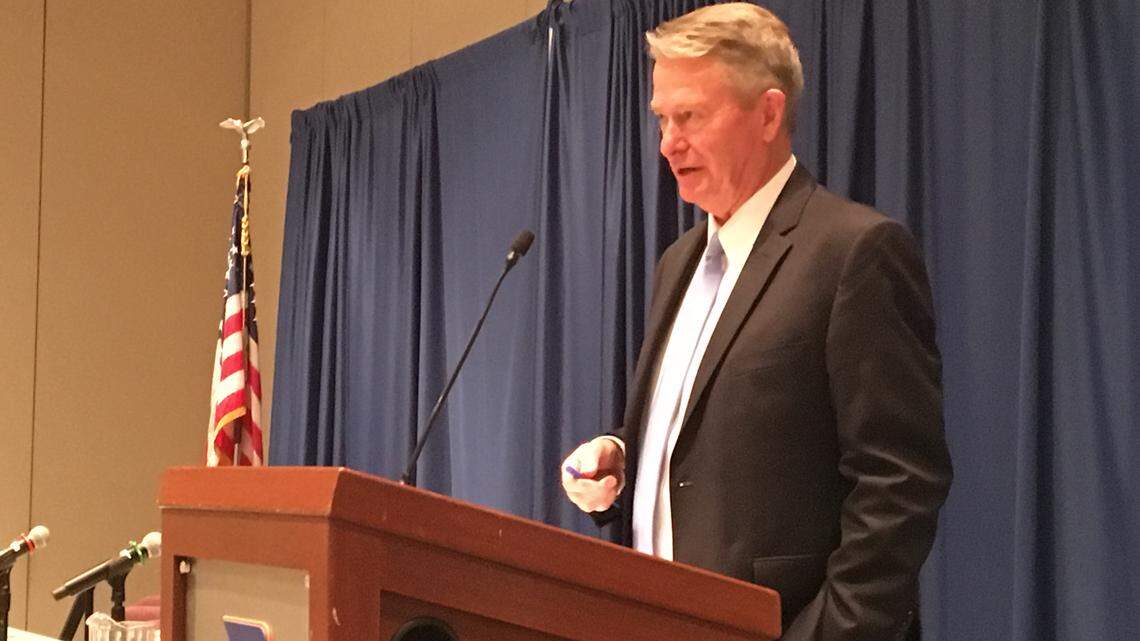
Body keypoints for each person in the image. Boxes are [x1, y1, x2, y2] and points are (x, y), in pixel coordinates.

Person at [559, 4, 952, 640]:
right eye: (662, 118)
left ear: (768, 113)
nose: (667, 143)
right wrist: (625, 455)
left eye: (689, 116)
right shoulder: (677, 263)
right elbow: (715, 437)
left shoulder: (855, 251)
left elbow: (900, 487)